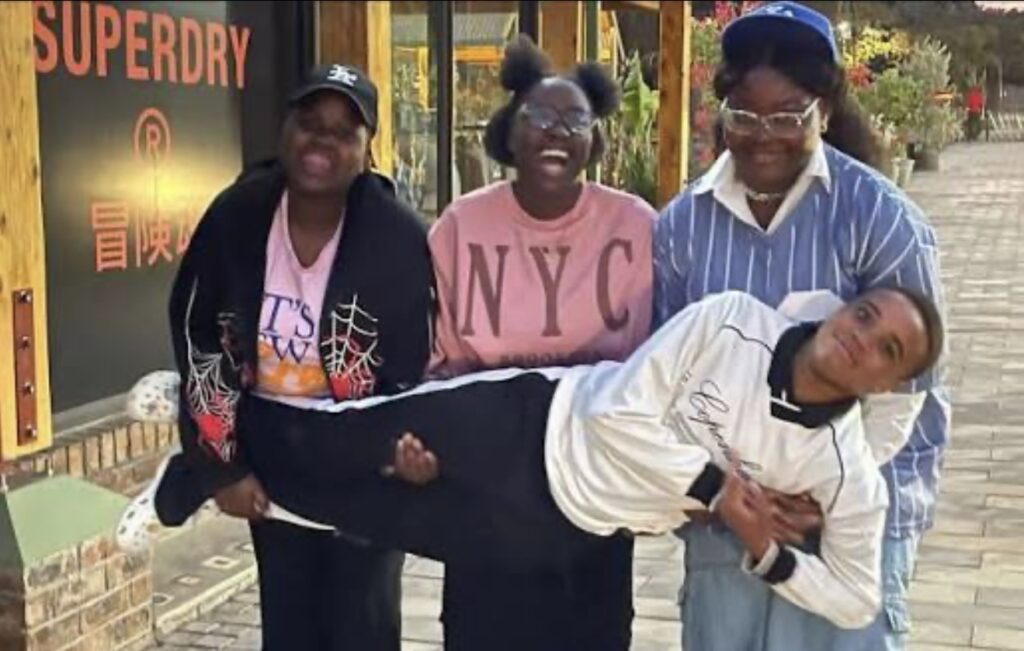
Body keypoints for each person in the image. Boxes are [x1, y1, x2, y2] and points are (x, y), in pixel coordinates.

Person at [125, 286, 944, 636]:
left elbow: (856, 599)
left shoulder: (841, 470)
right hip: (528, 420)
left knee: (374, 514)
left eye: (888, 349)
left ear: (889, 382)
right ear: (843, 307)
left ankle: (197, 472)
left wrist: (767, 551)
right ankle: (210, 419)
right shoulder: (733, 321)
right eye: (866, 315)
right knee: (347, 436)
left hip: (567, 523)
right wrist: (718, 488)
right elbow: (618, 410)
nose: (862, 338)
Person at [653, 3, 949, 650]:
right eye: (744, 115)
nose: (765, 136)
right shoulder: (682, 226)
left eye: (789, 115)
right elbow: (667, 381)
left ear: (826, 110)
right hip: (727, 519)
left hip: (851, 524)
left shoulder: (879, 216)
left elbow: (908, 390)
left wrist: (824, 491)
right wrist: (720, 491)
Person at [141, 63, 434, 651]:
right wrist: (224, 466)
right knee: (289, 627)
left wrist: (405, 457)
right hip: (273, 451)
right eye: (310, 122)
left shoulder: (397, 236)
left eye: (344, 131)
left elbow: (416, 364)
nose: (323, 140)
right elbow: (199, 336)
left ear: (367, 150)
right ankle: (190, 474)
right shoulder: (237, 216)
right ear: (285, 129)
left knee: (364, 627)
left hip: (361, 464)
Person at [426, 35, 655, 651]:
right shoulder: (460, 227)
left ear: (593, 138)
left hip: (594, 500)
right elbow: (433, 360)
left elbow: (664, 359)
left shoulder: (637, 227)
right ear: (510, 128)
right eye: (539, 116)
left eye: (575, 119)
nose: (557, 131)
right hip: (486, 497)